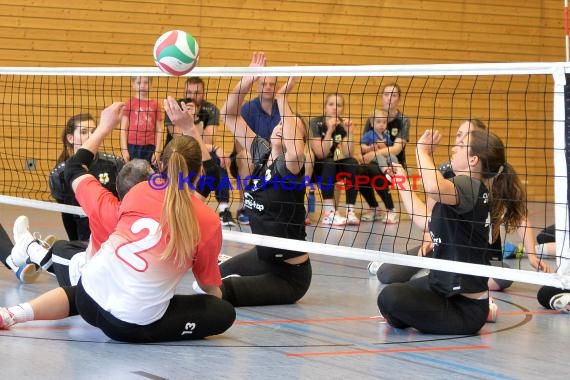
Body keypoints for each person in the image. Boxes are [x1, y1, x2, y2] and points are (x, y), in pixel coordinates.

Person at [1, 100, 236, 342]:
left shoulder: (137, 193)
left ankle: (12, 313)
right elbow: (209, 287)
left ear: (161, 166)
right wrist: (190, 128)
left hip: (88, 298)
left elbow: (74, 168)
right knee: (222, 312)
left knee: (94, 278)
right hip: (128, 326)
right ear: (199, 173)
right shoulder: (206, 220)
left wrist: (104, 127)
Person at [370, 119, 553, 290]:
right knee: (387, 275)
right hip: (446, 245)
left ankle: (446, 281)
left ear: (479, 149)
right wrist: (429, 237)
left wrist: (531, 254)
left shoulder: (485, 181)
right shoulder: (444, 173)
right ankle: (441, 278)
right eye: (458, 136)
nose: (455, 145)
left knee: (501, 277)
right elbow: (428, 217)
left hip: (480, 256)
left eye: (464, 140)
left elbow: (520, 215)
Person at [377, 128, 526, 335]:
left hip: (464, 309)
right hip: (441, 287)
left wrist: (422, 151)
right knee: (390, 298)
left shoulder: (469, 185)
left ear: (473, 160)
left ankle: (473, 313)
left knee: (391, 298)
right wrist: (402, 181)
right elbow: (423, 219)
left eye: (461, 146)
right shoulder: (461, 190)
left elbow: (433, 188)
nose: (454, 148)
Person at [208, 51, 311, 307]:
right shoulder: (262, 152)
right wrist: (248, 80)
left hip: (289, 276)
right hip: (262, 257)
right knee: (208, 279)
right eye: (282, 123)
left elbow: (296, 150)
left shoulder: (292, 171)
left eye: (290, 126)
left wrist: (282, 98)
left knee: (221, 291)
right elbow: (229, 114)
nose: (282, 125)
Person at [2, 159, 153, 286]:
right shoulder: (168, 211)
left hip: (100, 286)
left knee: (61, 250)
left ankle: (29, 247)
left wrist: (104, 128)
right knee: (78, 247)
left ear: (118, 188)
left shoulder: (106, 207)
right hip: (139, 282)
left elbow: (74, 167)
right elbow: (175, 187)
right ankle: (27, 253)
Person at [163, 77, 236, 226]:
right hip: (176, 150)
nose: (192, 96)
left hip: (201, 150)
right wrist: (215, 147)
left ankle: (224, 209)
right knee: (213, 153)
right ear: (184, 92)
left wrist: (194, 120)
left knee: (218, 161)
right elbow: (179, 137)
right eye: (188, 92)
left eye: (197, 93)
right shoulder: (174, 107)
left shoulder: (211, 110)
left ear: (203, 93)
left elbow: (207, 141)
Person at [49, 113, 123, 242]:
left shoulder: (115, 164)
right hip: (83, 239)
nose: (90, 136)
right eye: (83, 132)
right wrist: (75, 243)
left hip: (113, 236)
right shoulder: (59, 175)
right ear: (71, 138)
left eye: (94, 131)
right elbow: (67, 216)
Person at [309, 93, 360, 226]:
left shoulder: (342, 125)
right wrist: (330, 130)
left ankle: (350, 211)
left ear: (343, 108)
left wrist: (349, 132)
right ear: (325, 107)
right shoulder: (315, 123)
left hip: (329, 169)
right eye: (331, 104)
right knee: (329, 161)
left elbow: (348, 153)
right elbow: (321, 153)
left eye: (339, 105)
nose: (335, 108)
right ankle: (328, 213)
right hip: (314, 169)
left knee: (352, 163)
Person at [359, 109, 399, 224]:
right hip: (375, 160)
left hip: (384, 156)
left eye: (384, 122)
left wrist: (384, 146)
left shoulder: (386, 135)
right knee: (380, 158)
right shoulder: (369, 134)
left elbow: (390, 148)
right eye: (378, 122)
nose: (381, 125)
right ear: (372, 124)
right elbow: (362, 147)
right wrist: (371, 148)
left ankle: (393, 170)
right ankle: (386, 170)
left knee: (392, 157)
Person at [363, 83, 411, 168]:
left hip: (395, 162)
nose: (389, 98)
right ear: (382, 97)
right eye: (386, 94)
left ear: (399, 99)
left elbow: (396, 149)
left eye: (394, 95)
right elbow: (363, 144)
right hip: (374, 161)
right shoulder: (373, 117)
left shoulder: (403, 120)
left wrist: (374, 153)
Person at [120, 76, 164, 167]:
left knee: (148, 173)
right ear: (133, 85)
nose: (143, 86)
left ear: (151, 84)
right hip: (132, 146)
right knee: (132, 174)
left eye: (146, 82)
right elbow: (123, 129)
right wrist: (124, 150)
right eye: (139, 83)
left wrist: (157, 151)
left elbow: (159, 130)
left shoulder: (156, 105)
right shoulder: (129, 103)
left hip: (150, 147)